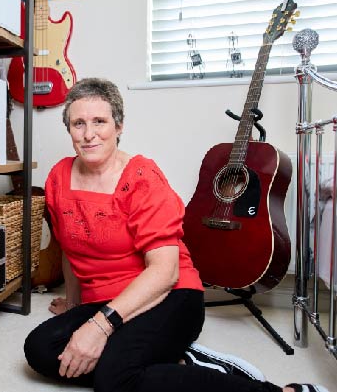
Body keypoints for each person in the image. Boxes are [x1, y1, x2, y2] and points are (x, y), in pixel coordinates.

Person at [23, 77, 329, 392]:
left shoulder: (143, 178)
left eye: (99, 121)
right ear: (69, 129)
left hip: (169, 295)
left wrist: (98, 328)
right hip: (106, 298)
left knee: (114, 380)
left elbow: (165, 272)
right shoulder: (58, 178)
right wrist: (75, 307)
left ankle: (278, 391)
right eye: (78, 123)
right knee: (40, 349)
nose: (89, 134)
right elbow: (71, 251)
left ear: (119, 126)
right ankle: (174, 363)